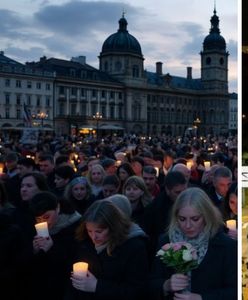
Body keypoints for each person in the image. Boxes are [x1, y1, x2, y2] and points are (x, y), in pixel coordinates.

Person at [149, 187, 237, 300]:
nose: (188, 225)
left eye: (195, 219)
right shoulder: (165, 241)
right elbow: (150, 284)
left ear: (206, 216)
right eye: (182, 219)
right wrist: (166, 285)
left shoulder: (226, 246)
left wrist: (202, 298)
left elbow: (234, 291)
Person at [66, 199, 150, 300]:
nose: (94, 237)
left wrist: (97, 286)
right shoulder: (85, 242)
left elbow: (137, 290)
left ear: (113, 227)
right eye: (89, 231)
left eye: (99, 231)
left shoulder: (134, 247)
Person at [29, 191, 82, 300]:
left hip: (65, 288)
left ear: (57, 208)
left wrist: (52, 249)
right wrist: (34, 250)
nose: (44, 222)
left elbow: (76, 260)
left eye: (47, 217)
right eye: (39, 219)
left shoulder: (76, 225)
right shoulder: (34, 227)